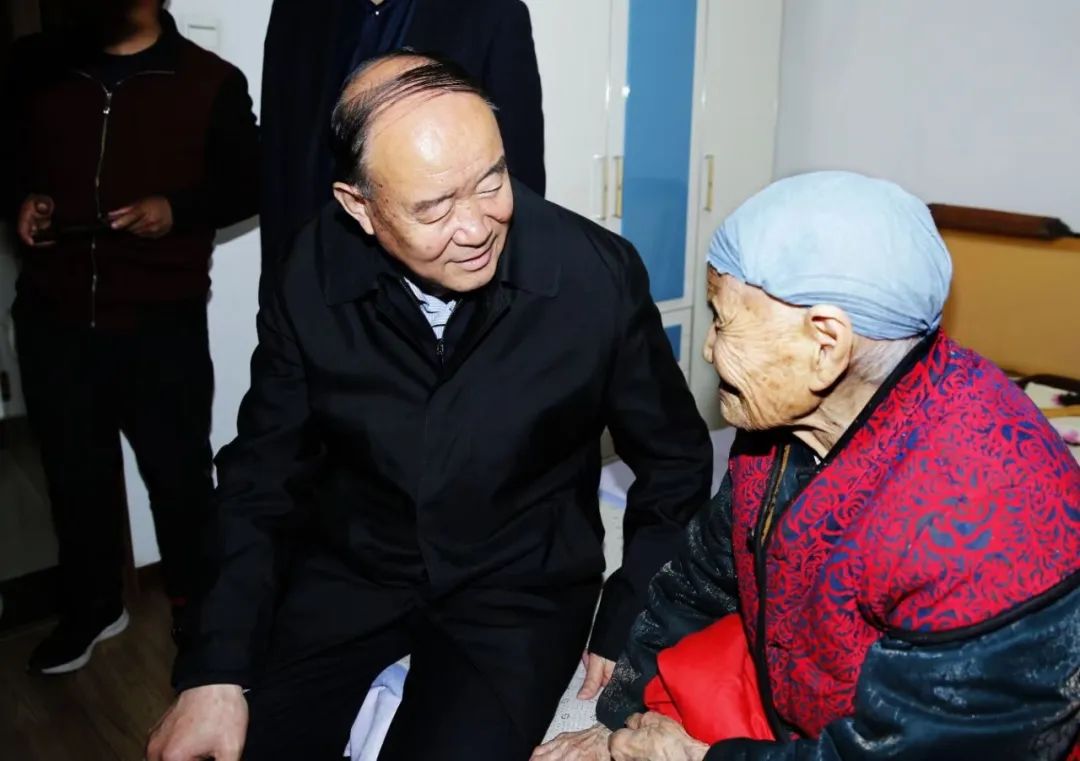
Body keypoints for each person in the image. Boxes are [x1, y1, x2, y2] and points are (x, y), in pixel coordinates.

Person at [146, 52, 711, 761]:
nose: (476, 227)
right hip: (354, 568)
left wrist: (632, 610)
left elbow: (676, 460)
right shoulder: (311, 269)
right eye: (433, 207)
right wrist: (215, 666)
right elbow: (261, 471)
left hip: (518, 588)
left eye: (492, 180)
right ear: (359, 206)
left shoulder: (593, 274)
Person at [535, 171, 1080, 761]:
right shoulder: (788, 414)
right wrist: (619, 721)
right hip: (808, 677)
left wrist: (697, 759)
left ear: (826, 344)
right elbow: (703, 573)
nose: (709, 349)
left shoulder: (986, 527)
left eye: (723, 321)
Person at [6, 0, 259, 674]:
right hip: (54, 316)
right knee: (73, 475)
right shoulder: (39, 66)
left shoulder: (210, 80)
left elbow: (249, 182)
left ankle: (199, 624)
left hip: (160, 322)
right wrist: (22, 200)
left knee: (179, 484)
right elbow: (11, 158)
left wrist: (177, 209)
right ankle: (94, 607)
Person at [259, 0, 545, 303]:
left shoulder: (493, 12)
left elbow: (516, 173)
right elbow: (278, 162)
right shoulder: (295, 10)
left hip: (445, 296)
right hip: (321, 276)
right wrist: (277, 288)